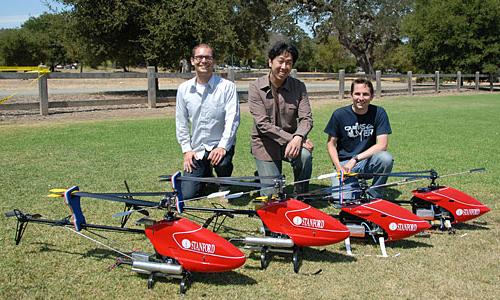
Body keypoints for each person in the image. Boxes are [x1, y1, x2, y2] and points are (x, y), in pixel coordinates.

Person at [249, 42, 314, 196]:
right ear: (270, 62)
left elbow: (307, 118)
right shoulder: (255, 87)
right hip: (265, 143)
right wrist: (294, 138)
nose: (284, 67)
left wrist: (298, 137)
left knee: (305, 155)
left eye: (289, 63)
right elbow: (263, 125)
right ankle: (264, 175)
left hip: (291, 144)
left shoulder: (299, 87)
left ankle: (301, 196)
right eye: (280, 61)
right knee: (272, 195)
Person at [176, 44, 240, 199]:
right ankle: (206, 175)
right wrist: (187, 150)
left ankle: (224, 183)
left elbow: (232, 119)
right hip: (197, 148)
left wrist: (223, 147)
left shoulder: (227, 87)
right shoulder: (184, 89)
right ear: (192, 61)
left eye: (208, 57)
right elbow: (181, 121)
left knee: (223, 162)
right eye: (199, 57)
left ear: (214, 61)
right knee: (188, 195)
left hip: (219, 145)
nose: (203, 61)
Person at [325, 78, 393, 200]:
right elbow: (331, 144)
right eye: (357, 93)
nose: (361, 98)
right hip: (344, 165)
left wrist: (355, 159)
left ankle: (374, 195)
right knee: (342, 202)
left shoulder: (379, 113)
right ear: (351, 95)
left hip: (367, 161)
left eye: (365, 94)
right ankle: (352, 186)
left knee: (386, 158)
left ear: (372, 96)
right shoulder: (339, 114)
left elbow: (382, 145)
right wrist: (338, 167)